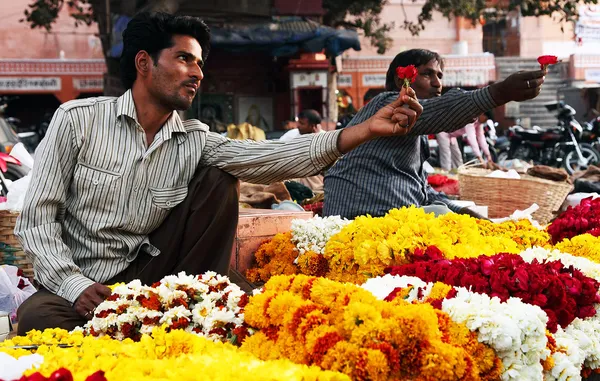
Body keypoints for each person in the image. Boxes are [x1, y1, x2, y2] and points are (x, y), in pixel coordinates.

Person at [15, 12, 423, 334]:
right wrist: (75, 286)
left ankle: (189, 302)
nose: (198, 73)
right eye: (184, 59)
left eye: (200, 63)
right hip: (82, 282)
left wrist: (364, 130)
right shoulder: (77, 120)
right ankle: (156, 325)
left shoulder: (196, 138)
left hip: (153, 276)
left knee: (219, 176)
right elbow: (37, 220)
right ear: (144, 63)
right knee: (38, 317)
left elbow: (269, 158)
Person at [323, 48, 546, 219]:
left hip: (389, 215)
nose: (438, 83)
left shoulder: (412, 124)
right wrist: (499, 92)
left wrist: (467, 214)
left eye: (439, 75)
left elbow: (423, 191)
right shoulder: (388, 104)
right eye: (427, 74)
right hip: (360, 216)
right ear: (403, 81)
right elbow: (443, 110)